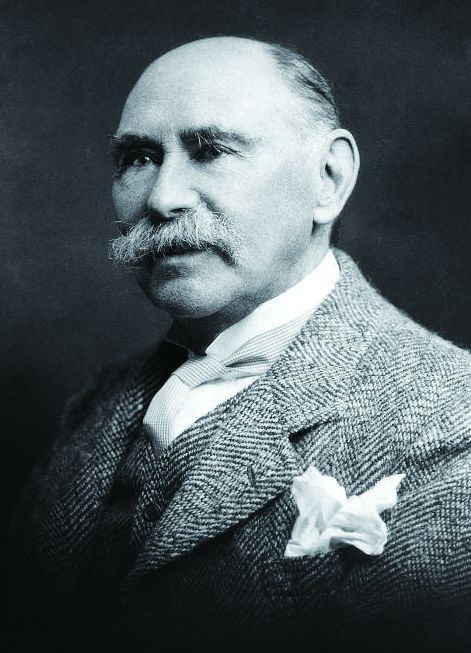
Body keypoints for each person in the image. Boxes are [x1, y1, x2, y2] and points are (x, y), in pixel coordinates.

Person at [8, 36, 471, 653]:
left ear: (328, 178)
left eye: (212, 151)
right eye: (139, 158)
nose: (162, 197)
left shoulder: (451, 425)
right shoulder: (99, 402)